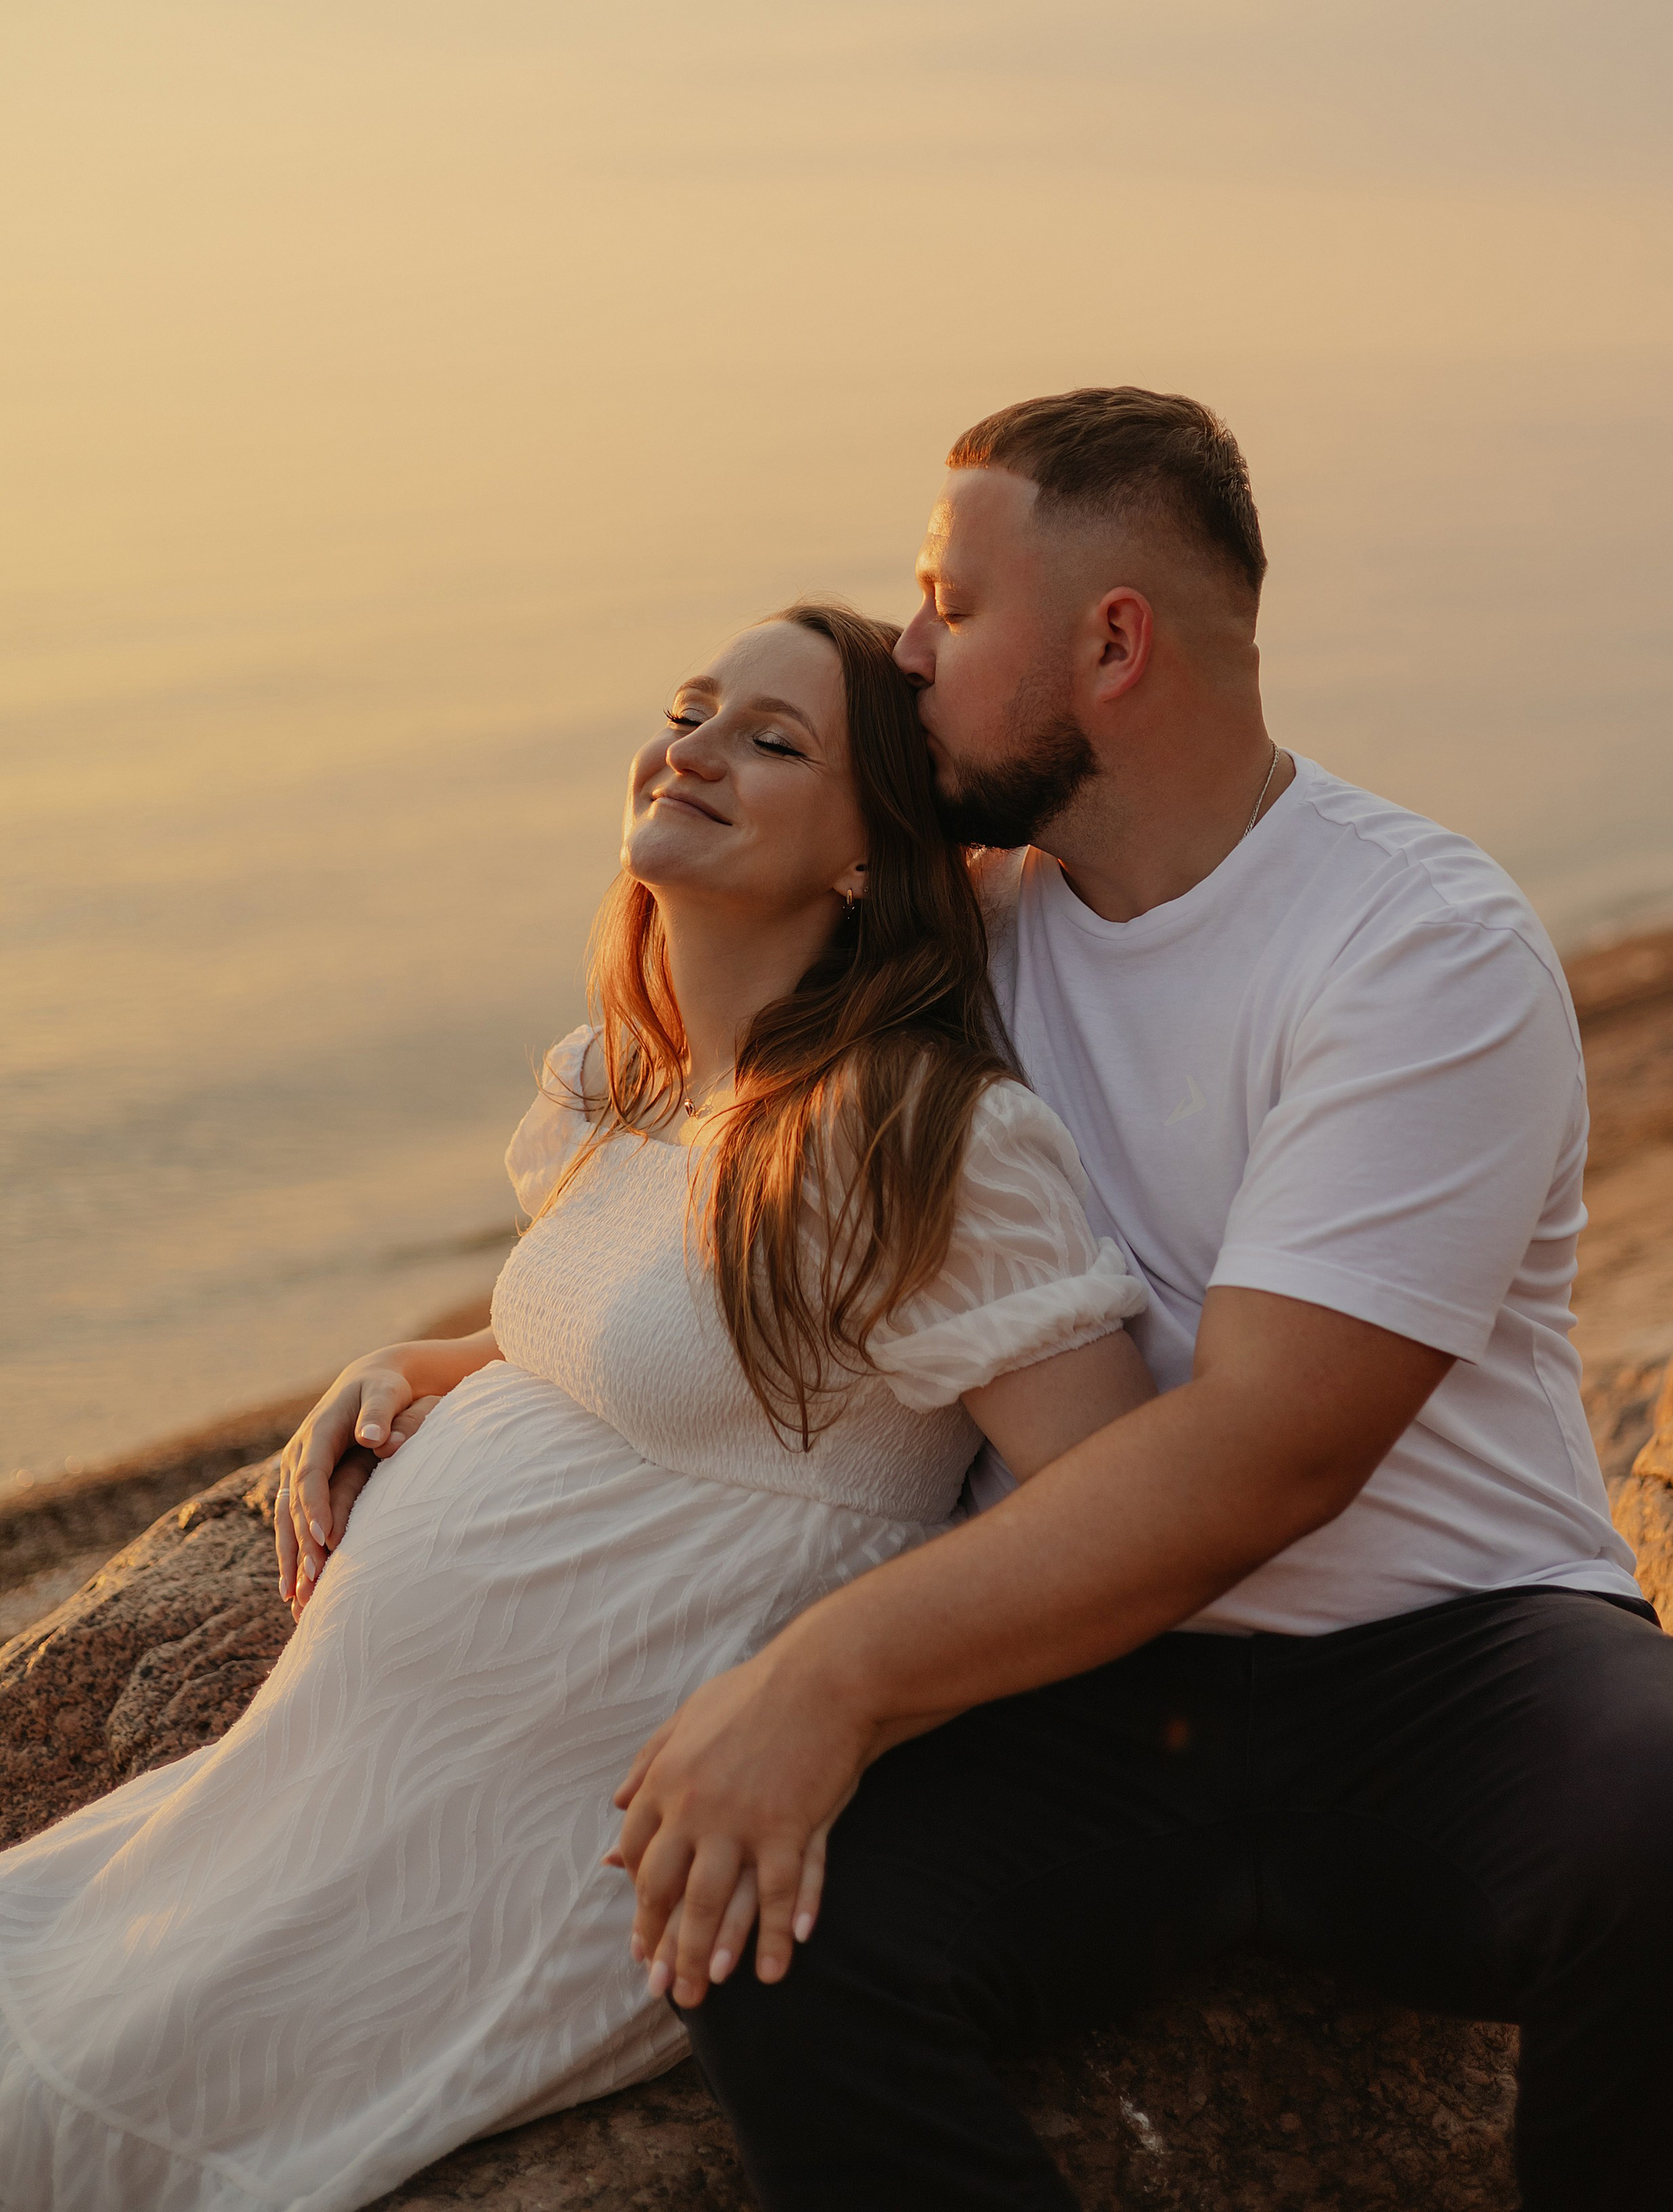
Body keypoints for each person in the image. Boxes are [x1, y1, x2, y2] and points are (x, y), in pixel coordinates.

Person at [615, 391, 1673, 2212]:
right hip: (1084, 1681)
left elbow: (1267, 1455)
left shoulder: (1412, 942)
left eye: (949, 603)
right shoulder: (972, 928)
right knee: (769, 1929)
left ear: (1111, 644)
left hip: (1449, 1659)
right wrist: (453, 1360)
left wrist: (830, 1675)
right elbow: (768, 1188)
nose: (909, 649)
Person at [0, 604, 1154, 2212]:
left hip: (545, 1855)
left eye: (770, 740)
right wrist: (426, 1367)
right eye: (692, 708)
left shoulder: (924, 1142)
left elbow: (1123, 1514)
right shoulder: (635, 1079)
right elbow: (673, 1349)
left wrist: (834, 1711)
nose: (689, 747)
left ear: (865, 858)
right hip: (337, 1792)